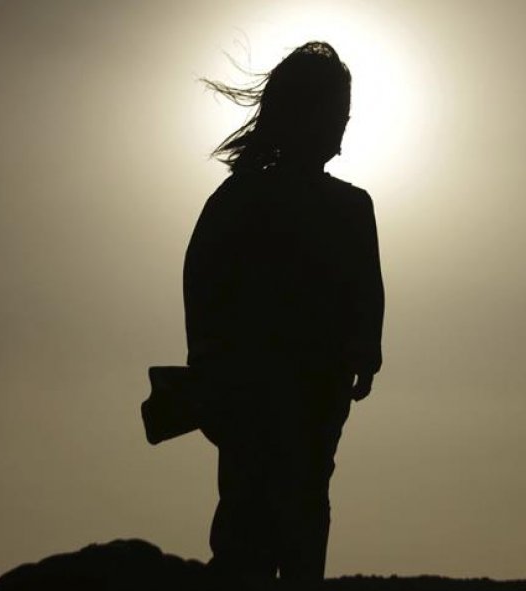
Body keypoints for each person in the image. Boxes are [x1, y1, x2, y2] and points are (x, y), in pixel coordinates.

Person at [184, 41, 384, 588]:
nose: (342, 128)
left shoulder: (239, 200)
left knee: (273, 516)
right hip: (270, 390)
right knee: (280, 517)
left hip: (284, 392)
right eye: (335, 113)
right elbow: (205, 288)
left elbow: (201, 288)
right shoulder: (339, 209)